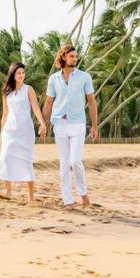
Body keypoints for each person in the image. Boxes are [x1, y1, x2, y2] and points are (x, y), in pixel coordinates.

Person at [42, 45, 98, 207]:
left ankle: (83, 193)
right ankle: (67, 199)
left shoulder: (84, 77)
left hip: (78, 123)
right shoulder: (54, 79)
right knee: (64, 163)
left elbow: (92, 101)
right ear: (64, 57)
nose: (75, 58)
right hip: (59, 124)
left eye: (76, 56)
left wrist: (95, 126)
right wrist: (43, 124)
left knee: (75, 161)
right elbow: (48, 102)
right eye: (72, 56)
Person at [0, 62, 47, 202]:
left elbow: (36, 108)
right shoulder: (6, 92)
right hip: (9, 130)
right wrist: (2, 133)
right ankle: (8, 192)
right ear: (13, 74)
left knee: (26, 160)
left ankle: (31, 196)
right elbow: (5, 113)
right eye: (18, 72)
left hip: (25, 130)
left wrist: (42, 123)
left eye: (23, 72)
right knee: (6, 158)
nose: (21, 75)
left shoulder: (28, 89)